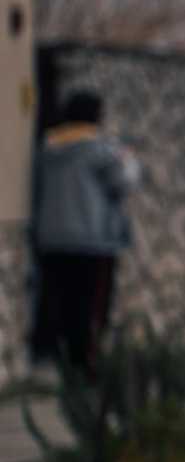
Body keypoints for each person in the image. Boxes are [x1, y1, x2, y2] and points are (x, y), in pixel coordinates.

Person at [31, 91, 140, 379]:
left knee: (62, 299)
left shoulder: (47, 147)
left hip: (53, 238)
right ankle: (86, 365)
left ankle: (58, 357)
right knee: (92, 305)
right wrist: (128, 160)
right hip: (93, 240)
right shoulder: (101, 150)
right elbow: (124, 182)